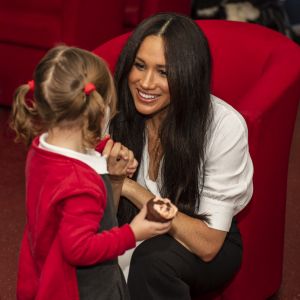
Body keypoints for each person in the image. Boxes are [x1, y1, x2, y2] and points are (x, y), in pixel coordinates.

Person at [109, 13, 254, 299]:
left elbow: (208, 245)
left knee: (152, 262)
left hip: (203, 236)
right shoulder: (115, 113)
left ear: (188, 73)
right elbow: (104, 220)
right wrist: (113, 183)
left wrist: (130, 187)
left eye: (164, 72)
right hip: (135, 228)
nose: (146, 83)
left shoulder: (223, 126)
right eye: (140, 66)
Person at [10, 45, 172, 300]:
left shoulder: (40, 148)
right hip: (80, 288)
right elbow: (80, 249)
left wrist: (100, 152)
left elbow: (67, 157)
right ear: (100, 109)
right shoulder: (80, 183)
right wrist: (134, 232)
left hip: (43, 268)